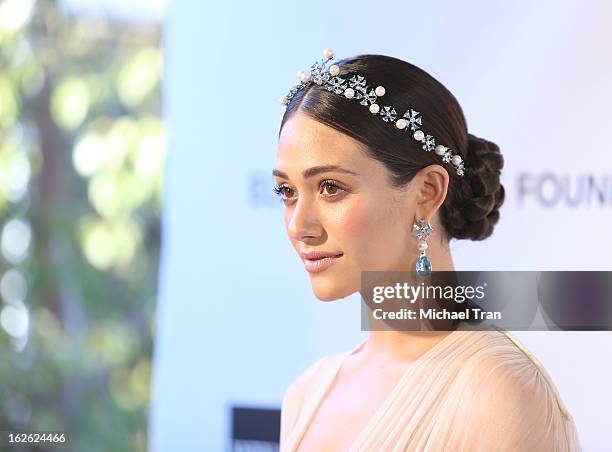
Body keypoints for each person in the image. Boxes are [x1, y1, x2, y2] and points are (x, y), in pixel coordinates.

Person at [273, 49, 581, 451]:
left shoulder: (498, 394)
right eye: (287, 191)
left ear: (427, 192)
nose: (300, 226)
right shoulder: (306, 395)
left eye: (331, 187)